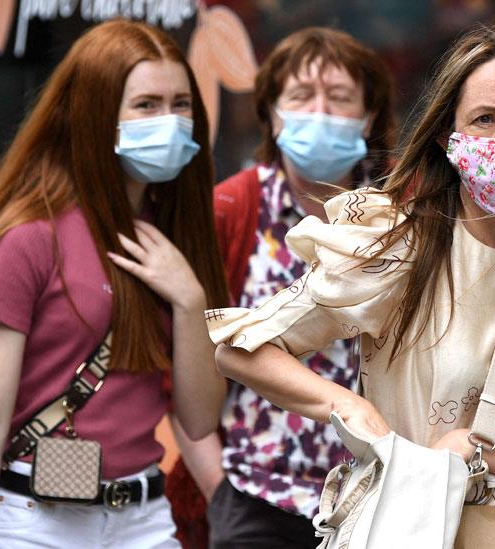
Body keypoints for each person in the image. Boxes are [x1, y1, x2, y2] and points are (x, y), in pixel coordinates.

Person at [209, 21, 495, 538]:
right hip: (412, 528)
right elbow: (242, 347)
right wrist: (346, 404)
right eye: (485, 118)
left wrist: (475, 445)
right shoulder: (397, 248)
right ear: (448, 139)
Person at [0, 20, 228, 548]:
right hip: (36, 523)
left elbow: (198, 420)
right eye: (146, 105)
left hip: (144, 521)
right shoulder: (32, 239)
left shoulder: (175, 234)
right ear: (98, 115)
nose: (168, 121)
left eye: (180, 103)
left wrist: (191, 301)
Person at [168, 27, 396, 549]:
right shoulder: (230, 208)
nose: (319, 111)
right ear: (271, 113)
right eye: (300, 97)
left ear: (368, 117)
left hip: (374, 494)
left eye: (339, 98)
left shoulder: (403, 215)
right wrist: (220, 495)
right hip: (254, 497)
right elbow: (184, 361)